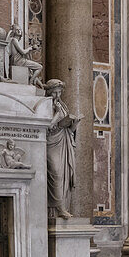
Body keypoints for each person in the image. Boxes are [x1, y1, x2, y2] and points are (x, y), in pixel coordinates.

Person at [45, 78, 81, 219]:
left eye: (59, 92)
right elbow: (45, 128)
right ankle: (58, 207)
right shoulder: (44, 106)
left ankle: (63, 206)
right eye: (54, 93)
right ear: (48, 92)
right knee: (56, 174)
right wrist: (57, 116)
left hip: (63, 142)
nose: (57, 96)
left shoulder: (62, 106)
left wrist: (74, 125)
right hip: (50, 143)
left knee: (64, 175)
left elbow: (68, 131)